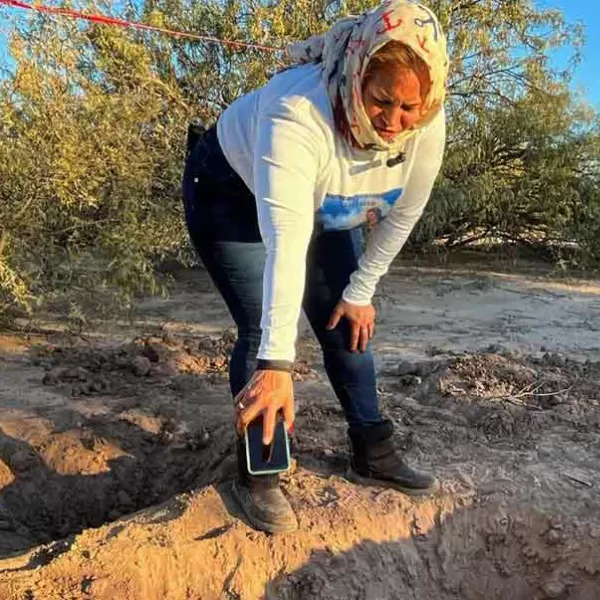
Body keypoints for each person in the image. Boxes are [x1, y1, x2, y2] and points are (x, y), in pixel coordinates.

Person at [180, 0, 448, 533]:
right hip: (230, 193)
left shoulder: (427, 125)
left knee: (345, 322)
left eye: (408, 108)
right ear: (356, 74)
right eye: (381, 101)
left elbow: (404, 213)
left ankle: (372, 450)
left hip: (330, 201)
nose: (394, 122)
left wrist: (361, 289)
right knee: (261, 330)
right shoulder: (296, 114)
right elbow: (287, 241)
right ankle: (260, 474)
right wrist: (278, 366)